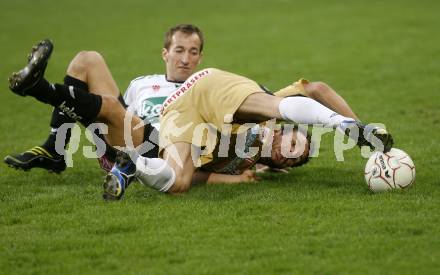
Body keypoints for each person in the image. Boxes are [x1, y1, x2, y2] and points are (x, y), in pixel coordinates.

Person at [6, 38, 393, 198]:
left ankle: (44, 99)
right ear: (165, 52)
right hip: (162, 123)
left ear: (281, 165)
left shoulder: (247, 157)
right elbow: (317, 90)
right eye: (294, 140)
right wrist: (364, 133)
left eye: (291, 154)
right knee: (96, 76)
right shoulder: (263, 115)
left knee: (174, 175)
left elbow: (199, 168)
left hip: (156, 140)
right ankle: (54, 135)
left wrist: (234, 176)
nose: (287, 146)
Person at [4, 24, 204, 173]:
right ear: (165, 53)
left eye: (193, 52)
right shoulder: (141, 83)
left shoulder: (203, 88)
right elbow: (122, 115)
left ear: (200, 58)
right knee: (86, 59)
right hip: (124, 140)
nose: (186, 59)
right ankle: (54, 148)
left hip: (162, 149)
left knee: (110, 107)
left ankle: (39, 88)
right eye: (179, 50)